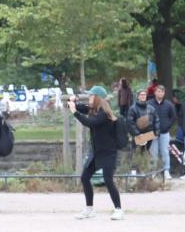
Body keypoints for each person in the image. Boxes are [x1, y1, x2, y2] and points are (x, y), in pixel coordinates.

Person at [68, 87, 122, 219]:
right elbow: (80, 107)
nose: (89, 98)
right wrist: (72, 101)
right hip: (96, 151)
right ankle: (89, 209)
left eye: (91, 96)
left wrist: (74, 111)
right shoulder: (93, 110)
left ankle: (118, 210)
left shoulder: (103, 113)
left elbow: (90, 123)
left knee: (108, 180)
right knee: (85, 177)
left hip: (108, 152)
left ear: (97, 98)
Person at [148, 85, 177, 178]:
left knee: (164, 152)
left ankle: (166, 171)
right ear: (155, 93)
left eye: (162, 92)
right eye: (158, 91)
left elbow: (173, 117)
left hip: (164, 133)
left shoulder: (169, 104)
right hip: (152, 133)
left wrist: (167, 126)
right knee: (153, 152)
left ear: (164, 93)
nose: (160, 93)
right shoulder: (149, 104)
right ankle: (154, 171)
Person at [127, 89, 159, 153]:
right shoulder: (132, 109)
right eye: (141, 95)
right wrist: (137, 133)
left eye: (144, 94)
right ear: (138, 96)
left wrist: (157, 132)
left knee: (147, 153)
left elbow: (156, 120)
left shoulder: (151, 108)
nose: (143, 96)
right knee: (137, 154)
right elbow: (130, 122)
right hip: (138, 136)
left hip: (149, 135)